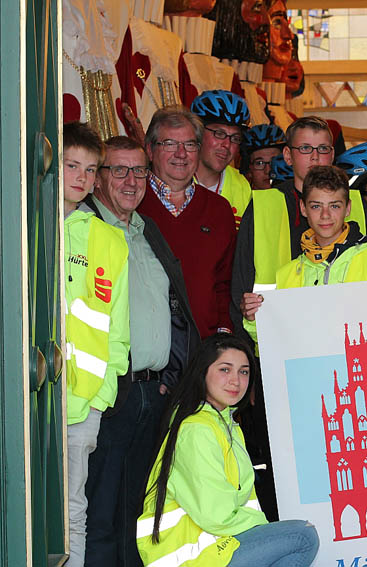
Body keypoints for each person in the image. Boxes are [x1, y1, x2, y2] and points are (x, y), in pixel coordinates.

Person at [83, 135, 201, 567]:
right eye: (119, 170)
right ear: (98, 177)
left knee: (138, 515)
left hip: (152, 396)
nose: (131, 181)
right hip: (110, 395)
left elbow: (175, 310)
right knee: (99, 517)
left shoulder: (146, 229)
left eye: (138, 171)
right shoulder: (85, 230)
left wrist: (172, 380)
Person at [136, 334, 320, 567]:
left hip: (217, 545)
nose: (236, 380)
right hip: (192, 556)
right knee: (301, 536)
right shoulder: (197, 429)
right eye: (225, 369)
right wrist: (265, 526)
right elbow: (216, 515)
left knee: (296, 538)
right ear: (202, 372)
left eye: (243, 372)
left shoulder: (225, 425)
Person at [62, 122, 131, 567]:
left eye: (90, 170)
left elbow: (118, 330)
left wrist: (100, 398)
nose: (82, 178)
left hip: (82, 401)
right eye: (72, 165)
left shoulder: (109, 238)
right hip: (27, 390)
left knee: (73, 511)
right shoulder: (24, 222)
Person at [240, 166, 367, 331]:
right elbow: (278, 341)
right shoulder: (287, 275)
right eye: (316, 206)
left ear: (348, 208)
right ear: (303, 208)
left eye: (334, 206)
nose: (325, 215)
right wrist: (255, 319)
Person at [138, 105, 237, 339]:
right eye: (170, 144)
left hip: (203, 350)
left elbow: (225, 283)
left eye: (190, 145)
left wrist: (222, 336)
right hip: (147, 350)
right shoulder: (133, 203)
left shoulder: (219, 209)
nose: (181, 154)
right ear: (150, 150)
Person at [190, 90, 253, 227]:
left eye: (235, 138)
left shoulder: (242, 185)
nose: (227, 144)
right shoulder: (174, 178)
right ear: (197, 132)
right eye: (219, 134)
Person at [241, 124, 287, 191]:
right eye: (259, 163)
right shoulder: (240, 199)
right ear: (249, 170)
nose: (268, 171)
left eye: (274, 162)